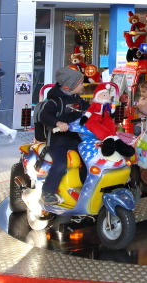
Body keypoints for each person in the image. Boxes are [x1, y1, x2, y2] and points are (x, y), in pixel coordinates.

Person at [38, 66, 88, 206]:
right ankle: (47, 192)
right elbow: (45, 116)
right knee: (60, 164)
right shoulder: (55, 102)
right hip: (58, 141)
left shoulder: (77, 98)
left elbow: (89, 109)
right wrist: (58, 122)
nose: (83, 86)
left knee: (88, 160)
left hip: (77, 138)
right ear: (68, 86)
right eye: (80, 84)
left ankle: (86, 187)